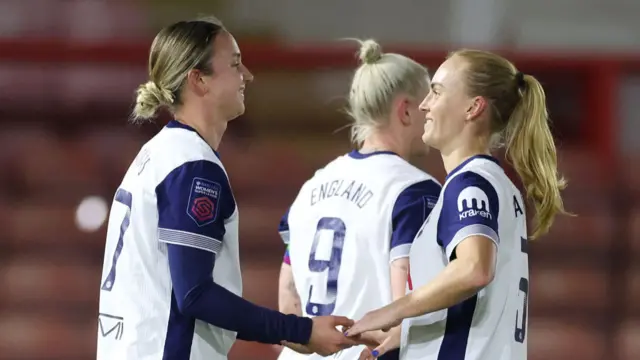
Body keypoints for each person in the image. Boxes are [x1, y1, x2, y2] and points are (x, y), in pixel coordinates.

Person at [96, 17, 357, 360]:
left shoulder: (158, 153)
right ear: (198, 79)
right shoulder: (193, 166)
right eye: (234, 64)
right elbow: (195, 295)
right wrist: (301, 330)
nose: (247, 74)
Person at [345, 49, 569, 360]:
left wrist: (392, 311)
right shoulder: (495, 183)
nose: (424, 104)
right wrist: (404, 336)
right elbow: (473, 305)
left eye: (436, 92)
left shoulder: (470, 183)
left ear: (473, 107)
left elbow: (474, 269)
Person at [276, 39, 442, 360]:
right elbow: (413, 308)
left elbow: (288, 299)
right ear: (405, 110)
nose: (429, 113)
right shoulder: (415, 191)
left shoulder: (311, 187)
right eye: (425, 104)